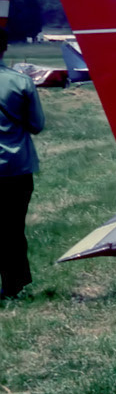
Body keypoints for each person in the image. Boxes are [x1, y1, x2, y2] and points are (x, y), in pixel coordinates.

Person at [0, 36, 45, 299]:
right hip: (15, 168)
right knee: (12, 229)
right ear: (4, 48)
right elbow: (36, 125)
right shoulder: (21, 82)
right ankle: (13, 284)